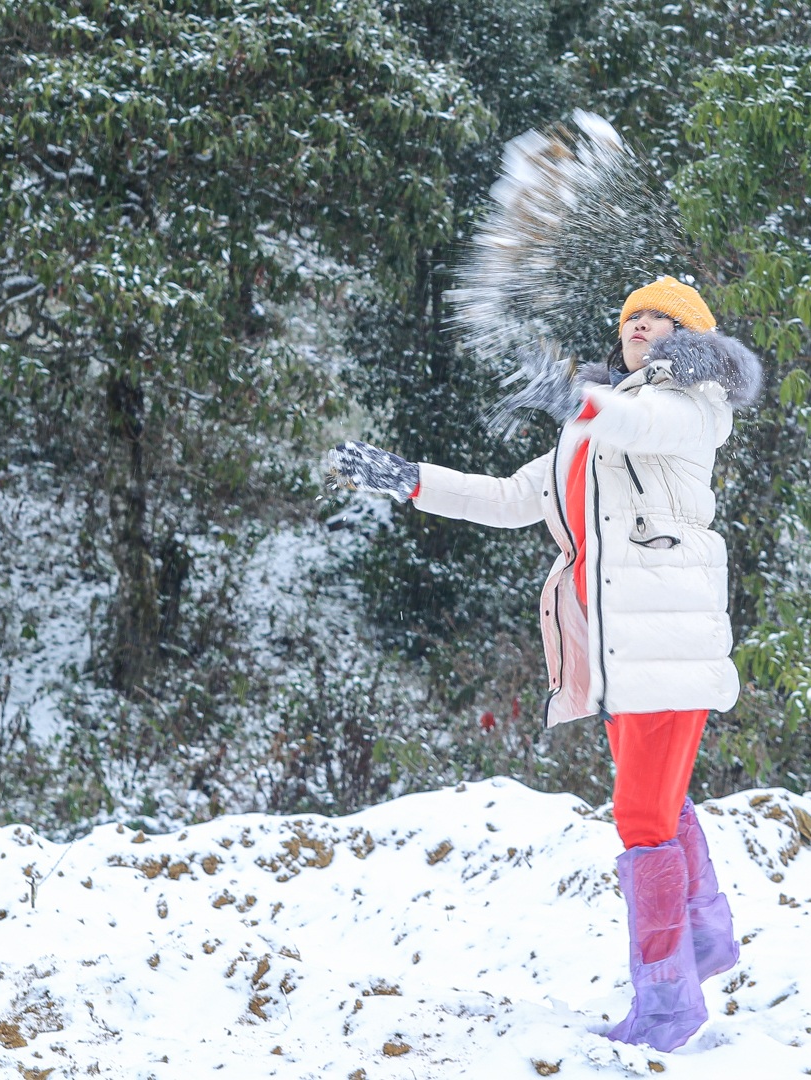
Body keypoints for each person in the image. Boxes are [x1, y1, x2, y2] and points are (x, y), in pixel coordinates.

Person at [325, 276, 762, 1052]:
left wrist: (571, 396)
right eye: (631, 318)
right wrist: (411, 480)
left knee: (640, 819)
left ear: (689, 337)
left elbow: (633, 417)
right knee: (652, 803)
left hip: (669, 644)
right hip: (619, 649)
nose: (641, 327)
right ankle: (700, 942)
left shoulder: (690, 410)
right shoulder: (594, 426)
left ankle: (667, 1005)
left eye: (660, 319)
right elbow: (507, 497)